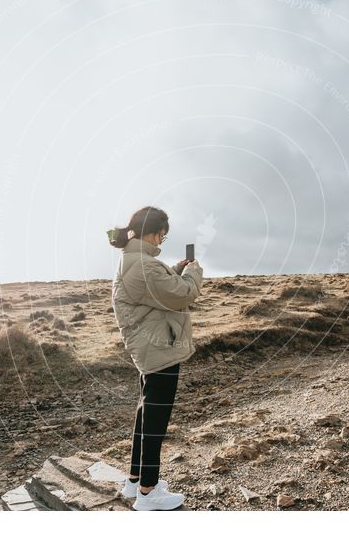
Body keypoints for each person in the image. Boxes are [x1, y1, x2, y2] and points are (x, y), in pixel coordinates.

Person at [108, 206, 203, 511]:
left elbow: (155, 289)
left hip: (150, 348)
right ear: (152, 231)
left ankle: (136, 481)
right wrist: (193, 271)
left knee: (146, 413)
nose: (163, 237)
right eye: (163, 232)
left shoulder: (135, 260)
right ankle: (149, 492)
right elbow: (184, 293)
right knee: (155, 421)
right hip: (159, 349)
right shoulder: (145, 266)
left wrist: (174, 269)